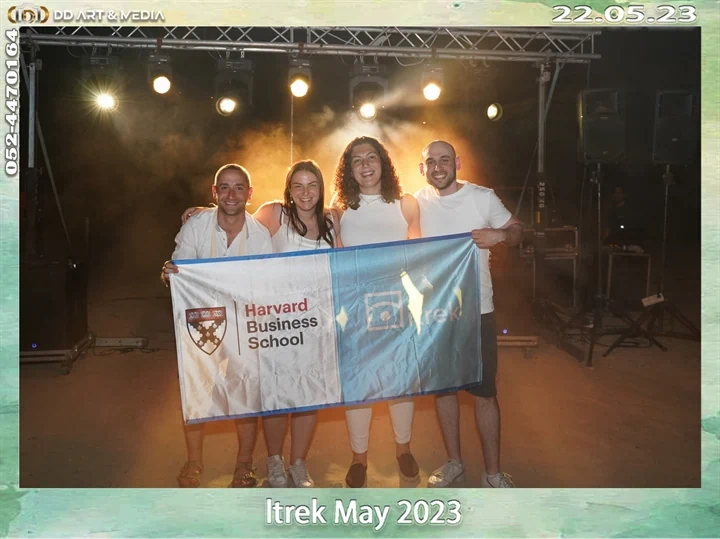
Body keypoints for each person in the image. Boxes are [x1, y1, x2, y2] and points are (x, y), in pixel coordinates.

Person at [180, 160, 342, 488]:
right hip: (268, 322)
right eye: (298, 185)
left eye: (312, 185)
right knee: (263, 393)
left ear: (321, 189)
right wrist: (203, 212)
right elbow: (233, 214)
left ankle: (295, 463)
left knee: (306, 394)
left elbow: (343, 265)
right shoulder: (273, 214)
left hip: (312, 321)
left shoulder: (331, 221)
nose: (305, 192)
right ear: (288, 190)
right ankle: (269, 461)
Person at [415, 140, 522, 488]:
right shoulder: (417, 202)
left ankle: (492, 474)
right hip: (437, 314)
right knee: (444, 392)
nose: (438, 167)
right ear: (422, 168)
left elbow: (518, 231)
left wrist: (500, 234)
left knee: (484, 393)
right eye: (431, 162)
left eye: (444, 160)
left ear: (457, 163)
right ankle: (454, 463)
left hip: (478, 311)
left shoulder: (482, 197)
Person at [161, 163, 273, 488]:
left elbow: (265, 285)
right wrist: (169, 273)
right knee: (196, 389)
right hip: (201, 323)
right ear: (214, 192)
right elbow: (179, 271)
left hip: (242, 324)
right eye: (224, 187)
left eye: (239, 188)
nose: (231, 194)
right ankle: (194, 461)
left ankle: (244, 463)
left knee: (245, 391)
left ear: (249, 194)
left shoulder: (260, 236)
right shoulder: (196, 225)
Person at [331, 136, 422, 488]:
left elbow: (422, 256)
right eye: (357, 160)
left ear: (383, 163)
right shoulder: (339, 209)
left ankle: (403, 450)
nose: (365, 165)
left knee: (401, 381)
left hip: (396, 302)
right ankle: (359, 459)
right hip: (355, 306)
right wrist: (204, 210)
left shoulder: (405, 204)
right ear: (349, 170)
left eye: (371, 157)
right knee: (359, 384)